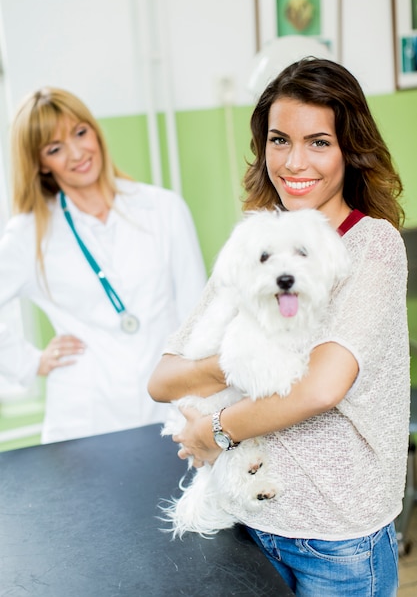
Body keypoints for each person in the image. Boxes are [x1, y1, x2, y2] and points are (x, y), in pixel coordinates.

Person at [148, 57, 410, 596]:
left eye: (318, 142)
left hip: (337, 537)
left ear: (349, 149)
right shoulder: (255, 245)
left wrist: (216, 428)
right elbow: (162, 380)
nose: (294, 161)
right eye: (278, 140)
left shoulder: (372, 246)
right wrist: (237, 359)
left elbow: (320, 385)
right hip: (249, 522)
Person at [0, 86, 206, 444]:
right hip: (84, 419)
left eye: (80, 133)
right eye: (55, 148)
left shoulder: (163, 208)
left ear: (95, 130)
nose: (77, 153)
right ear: (39, 163)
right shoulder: (28, 233)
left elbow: (197, 314)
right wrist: (29, 362)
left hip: (169, 408)